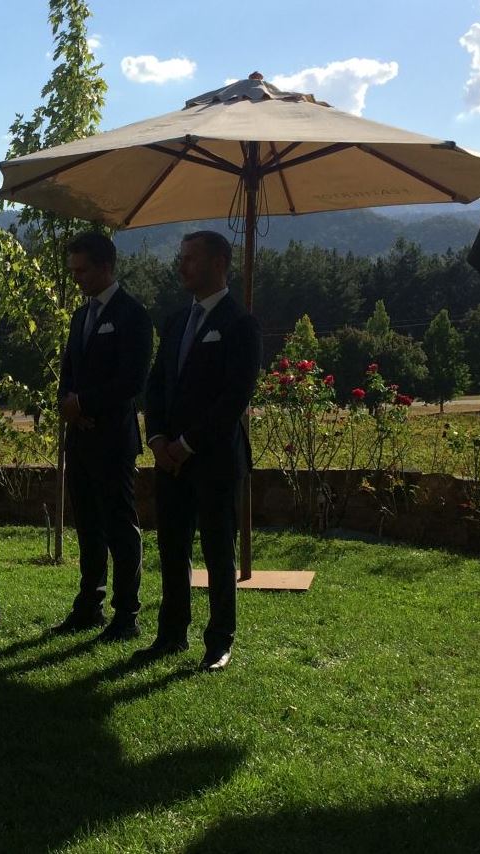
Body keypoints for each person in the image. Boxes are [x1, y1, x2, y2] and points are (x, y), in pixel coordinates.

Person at [141, 231, 261, 672]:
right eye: (181, 257)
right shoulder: (176, 321)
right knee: (173, 550)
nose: (181, 266)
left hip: (214, 461)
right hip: (169, 462)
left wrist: (186, 444)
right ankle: (171, 634)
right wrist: (157, 440)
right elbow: (156, 384)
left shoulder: (239, 323)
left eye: (190, 258)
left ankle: (219, 642)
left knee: (217, 551)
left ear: (219, 263)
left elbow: (234, 397)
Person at [52, 232, 153, 641]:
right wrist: (68, 405)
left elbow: (132, 380)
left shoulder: (133, 315)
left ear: (106, 266)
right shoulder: (80, 316)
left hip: (112, 440)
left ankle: (126, 613)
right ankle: (89, 604)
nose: (76, 277)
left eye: (82, 270)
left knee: (119, 526)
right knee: (88, 525)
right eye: (73, 270)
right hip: (80, 438)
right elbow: (68, 371)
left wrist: (85, 404)